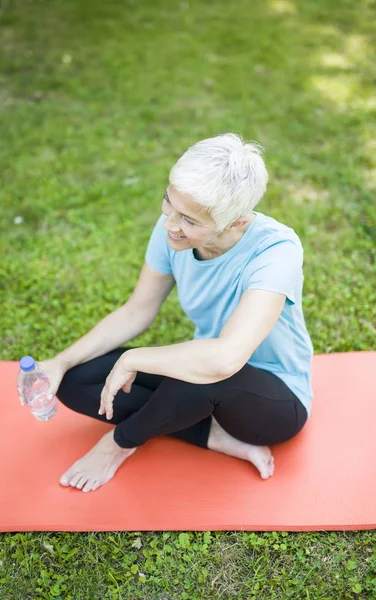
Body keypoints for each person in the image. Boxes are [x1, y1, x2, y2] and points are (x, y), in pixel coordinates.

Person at [21, 133, 313, 493]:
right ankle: (210, 435)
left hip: (274, 403)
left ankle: (119, 445)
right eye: (168, 203)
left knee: (204, 370)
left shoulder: (276, 251)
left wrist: (134, 361)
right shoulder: (172, 231)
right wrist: (60, 362)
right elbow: (136, 310)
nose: (171, 224)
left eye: (190, 220)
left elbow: (226, 359)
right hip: (203, 377)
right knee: (78, 380)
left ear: (236, 221)